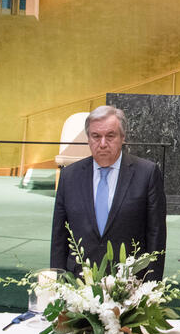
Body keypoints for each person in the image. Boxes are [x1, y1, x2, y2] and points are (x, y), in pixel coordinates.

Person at [50, 105, 167, 279]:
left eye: (110, 136)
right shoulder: (69, 176)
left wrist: (152, 285)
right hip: (79, 283)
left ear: (123, 137)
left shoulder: (147, 174)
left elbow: (156, 236)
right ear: (88, 139)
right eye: (96, 136)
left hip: (130, 284)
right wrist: (57, 281)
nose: (103, 144)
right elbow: (59, 237)